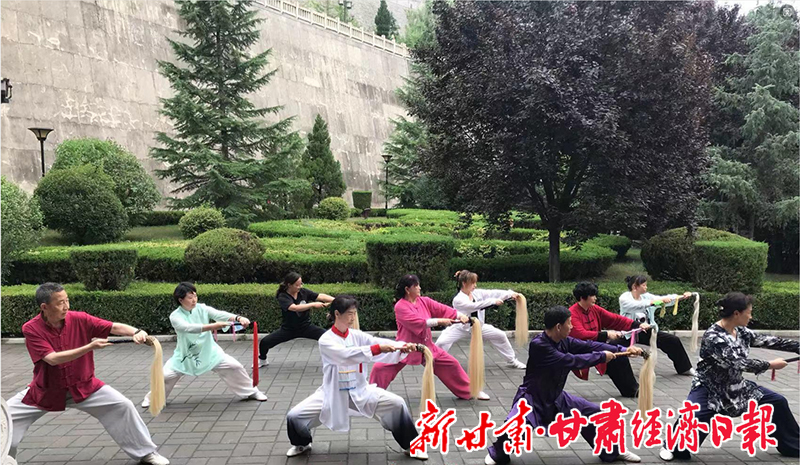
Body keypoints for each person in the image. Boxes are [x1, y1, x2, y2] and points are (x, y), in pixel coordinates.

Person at [7, 282, 170, 465]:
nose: (66, 306)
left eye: (67, 300)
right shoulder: (31, 328)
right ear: (44, 307)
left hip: (84, 386)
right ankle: (5, 459)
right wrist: (89, 347)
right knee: (5, 418)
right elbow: (52, 359)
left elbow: (112, 327)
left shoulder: (79, 319)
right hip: (46, 390)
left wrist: (137, 332)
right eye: (60, 303)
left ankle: (147, 453)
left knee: (122, 405)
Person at [484, 306, 642, 465]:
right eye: (569, 323)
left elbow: (589, 345)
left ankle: (612, 452)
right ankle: (498, 454)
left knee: (594, 413)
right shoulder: (539, 345)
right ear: (558, 327)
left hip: (557, 397)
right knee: (515, 424)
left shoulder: (564, 340)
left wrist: (623, 349)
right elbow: (570, 361)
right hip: (532, 398)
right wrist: (601, 357)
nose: (572, 326)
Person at [659, 292, 799, 461]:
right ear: (736, 313)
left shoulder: (741, 332)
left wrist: (797, 346)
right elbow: (738, 363)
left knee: (777, 401)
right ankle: (671, 446)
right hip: (709, 388)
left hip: (737, 385)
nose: (751, 317)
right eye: (749, 312)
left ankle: (794, 446)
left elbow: (768, 340)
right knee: (695, 415)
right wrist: (770, 364)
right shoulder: (713, 337)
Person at [285, 295, 427, 460]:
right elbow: (345, 355)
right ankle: (302, 443)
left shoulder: (357, 336)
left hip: (361, 392)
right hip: (332, 394)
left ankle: (412, 446)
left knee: (397, 404)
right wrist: (376, 348)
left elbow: (376, 341)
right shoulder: (326, 340)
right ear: (337, 314)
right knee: (294, 416)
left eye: (354, 313)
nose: (353, 317)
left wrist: (402, 346)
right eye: (349, 314)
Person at [141, 282, 266, 409]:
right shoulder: (175, 316)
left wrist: (238, 318)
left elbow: (219, 314)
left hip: (210, 352)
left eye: (195, 296)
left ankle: (252, 392)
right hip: (185, 356)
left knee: (234, 366)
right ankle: (153, 399)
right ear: (180, 300)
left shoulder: (202, 308)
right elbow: (188, 328)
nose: (194, 300)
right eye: (190, 297)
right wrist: (213, 326)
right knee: (165, 376)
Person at [369, 274, 490, 400]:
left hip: (427, 347)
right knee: (380, 367)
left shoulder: (424, 301)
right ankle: (371, 395)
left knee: (451, 364)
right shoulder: (400, 306)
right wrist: (440, 321)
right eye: (416, 286)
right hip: (406, 347)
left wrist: (460, 316)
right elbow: (418, 322)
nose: (420, 288)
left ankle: (471, 391)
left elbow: (442, 309)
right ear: (407, 289)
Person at [569, 282, 651, 398]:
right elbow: (580, 334)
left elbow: (615, 319)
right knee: (613, 352)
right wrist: (607, 334)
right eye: (592, 295)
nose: (595, 298)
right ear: (583, 298)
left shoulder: (594, 309)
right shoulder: (572, 313)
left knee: (616, 356)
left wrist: (637, 325)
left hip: (596, 347)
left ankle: (632, 390)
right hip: (578, 350)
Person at [435, 270, 526, 369]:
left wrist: (510, 294)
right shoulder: (458, 300)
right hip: (460, 327)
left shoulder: (477, 293)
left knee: (500, 336)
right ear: (464, 283)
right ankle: (435, 361)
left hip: (479, 327)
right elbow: (474, 306)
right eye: (472, 283)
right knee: (442, 342)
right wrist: (493, 302)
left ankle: (512, 360)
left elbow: (493, 293)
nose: (475, 285)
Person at [619, 275, 694, 376]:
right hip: (628, 331)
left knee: (672, 341)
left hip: (646, 330)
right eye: (644, 285)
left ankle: (685, 368)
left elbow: (662, 299)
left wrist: (680, 297)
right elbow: (637, 305)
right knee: (613, 346)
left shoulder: (646, 296)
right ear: (635, 286)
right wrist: (654, 302)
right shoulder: (624, 298)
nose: (646, 287)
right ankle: (606, 367)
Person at [258, 272, 334, 367]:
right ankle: (262, 360)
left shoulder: (303, 292)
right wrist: (313, 304)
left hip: (306, 327)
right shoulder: (283, 296)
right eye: (297, 285)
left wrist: (335, 300)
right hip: (288, 329)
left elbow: (320, 296)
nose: (300, 287)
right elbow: (294, 308)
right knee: (264, 342)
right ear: (289, 285)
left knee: (329, 337)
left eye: (301, 284)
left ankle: (335, 359)